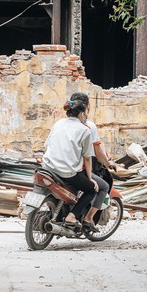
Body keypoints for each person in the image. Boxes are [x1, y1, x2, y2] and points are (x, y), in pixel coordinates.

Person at [42, 99, 98, 230]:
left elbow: (47, 145)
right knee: (91, 189)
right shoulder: (85, 130)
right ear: (81, 114)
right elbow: (88, 157)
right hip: (67, 172)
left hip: (47, 166)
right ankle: (71, 216)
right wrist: (90, 179)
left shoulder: (58, 123)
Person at [69, 92, 115, 231]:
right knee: (101, 186)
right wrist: (108, 163)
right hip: (77, 168)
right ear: (87, 107)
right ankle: (88, 219)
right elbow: (93, 153)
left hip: (54, 165)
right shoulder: (87, 127)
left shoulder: (61, 124)